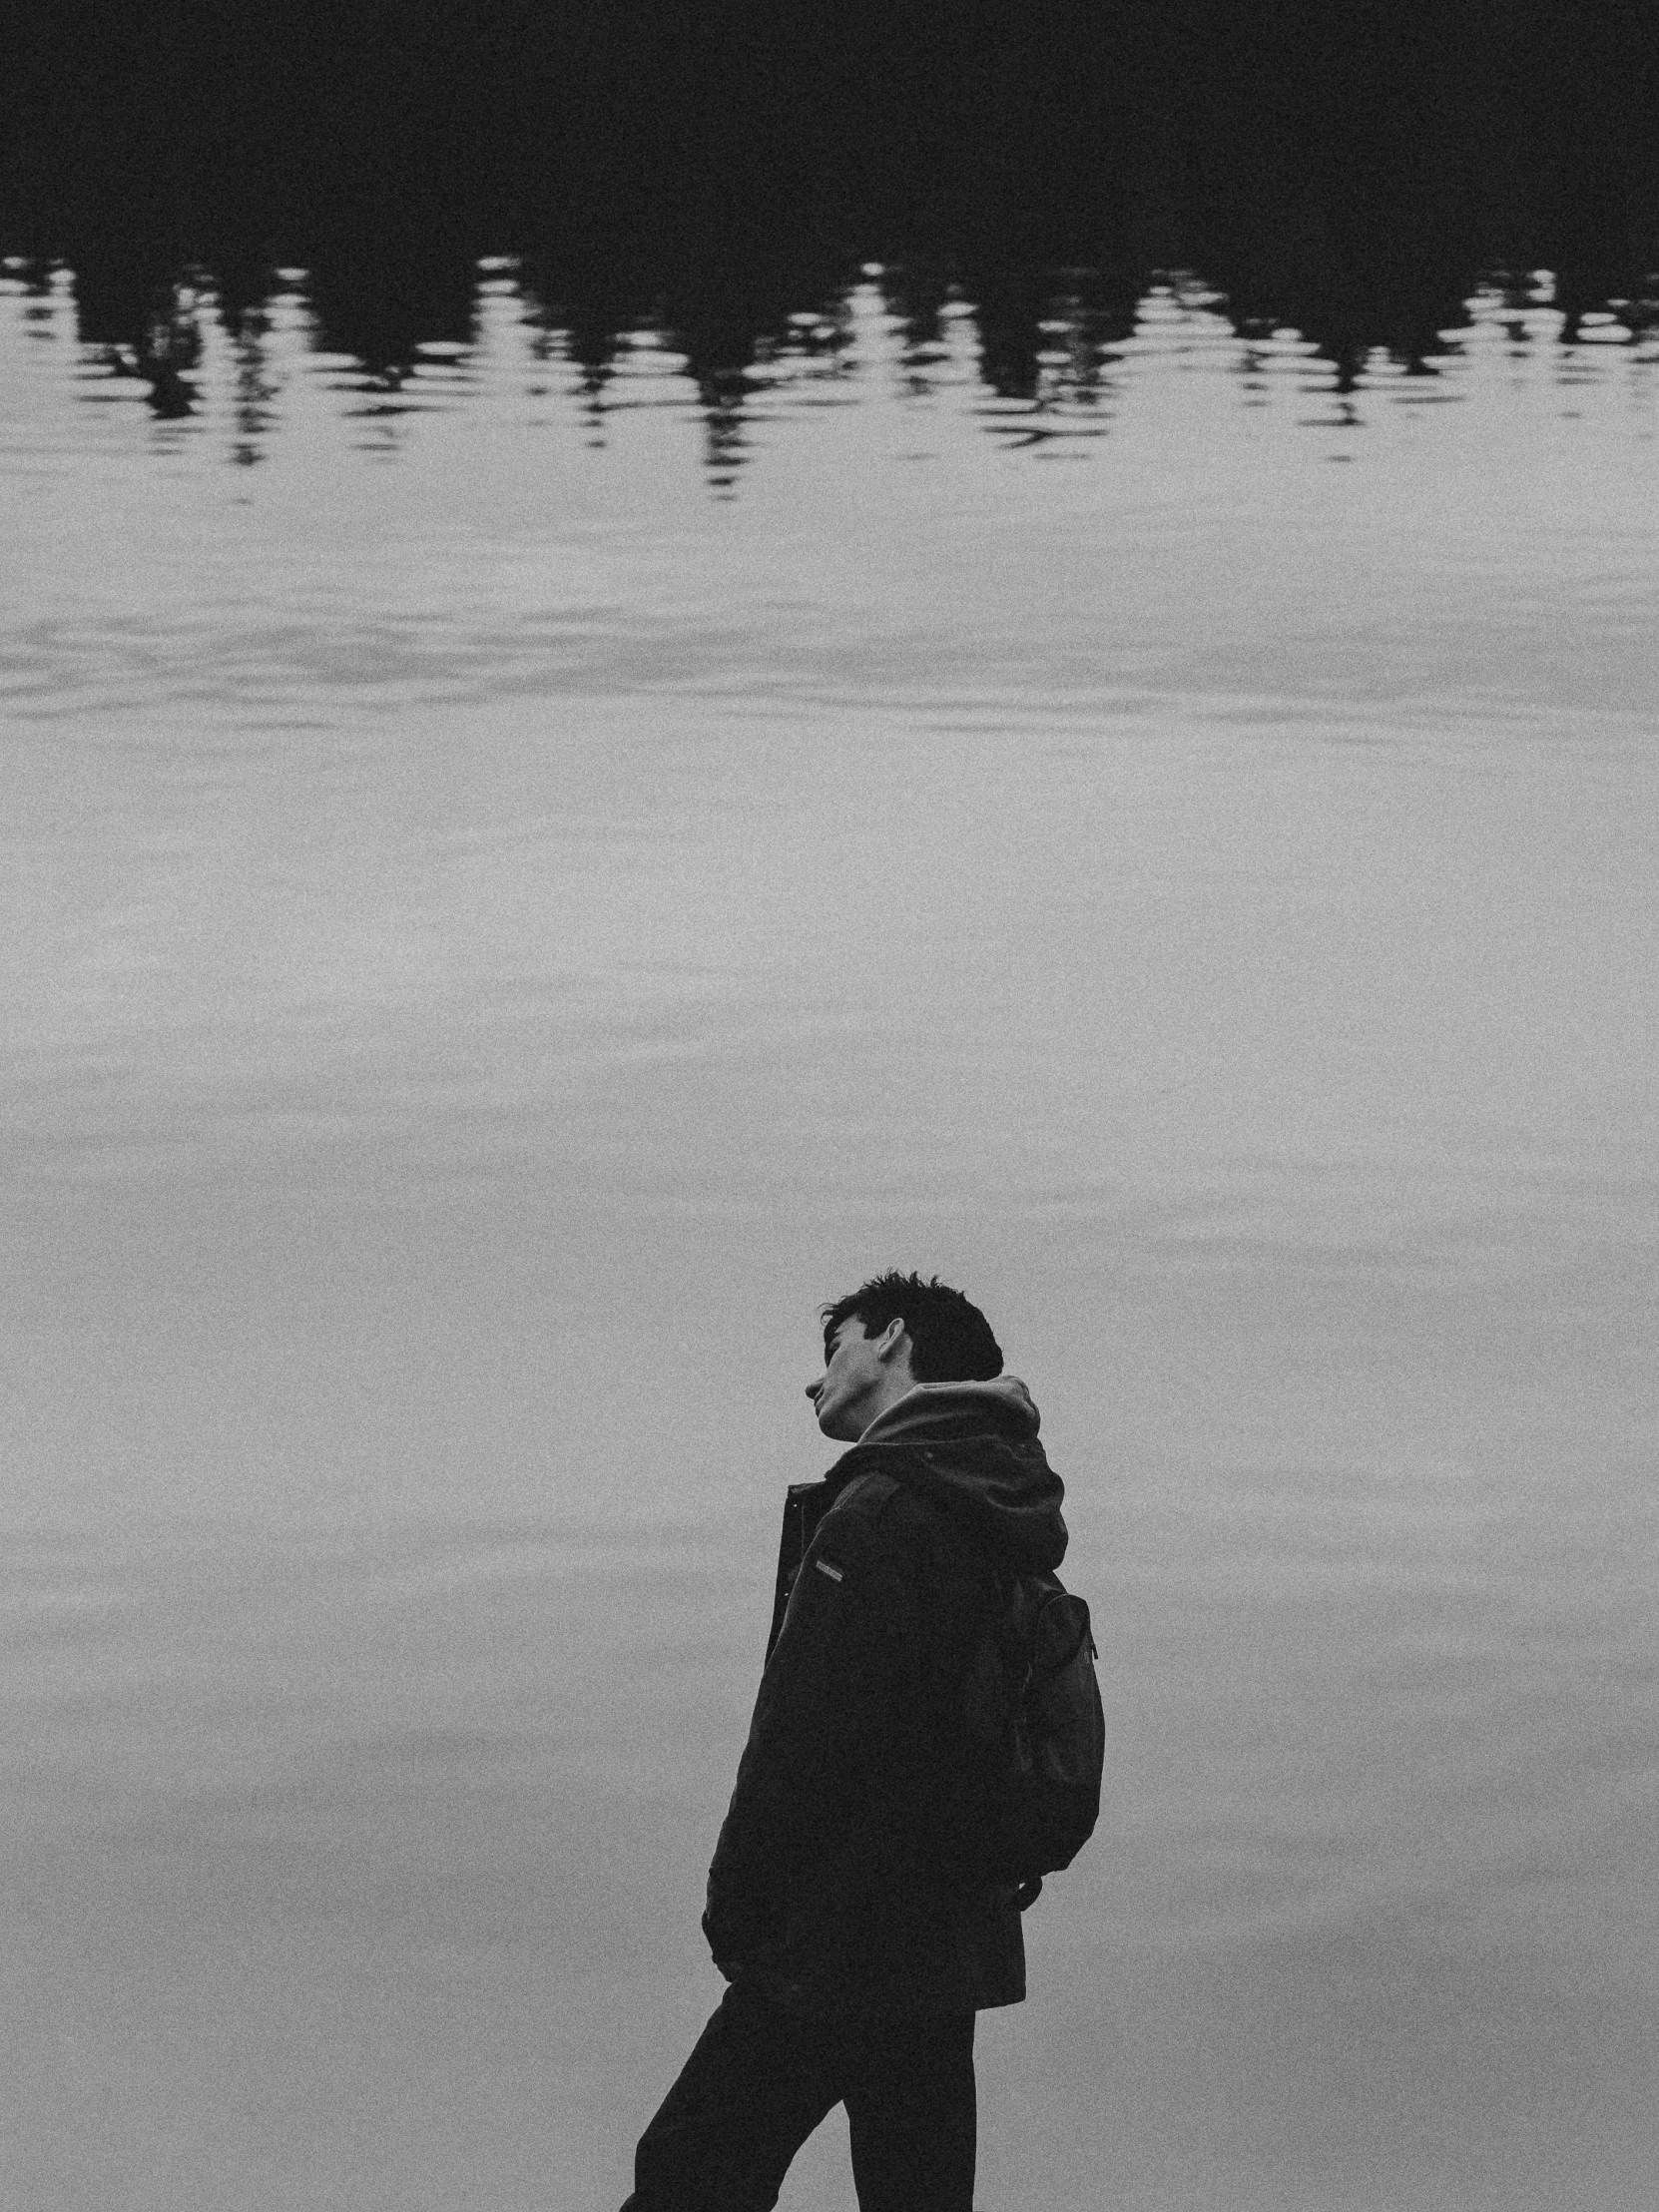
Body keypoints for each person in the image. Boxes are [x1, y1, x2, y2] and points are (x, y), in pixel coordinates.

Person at [620, 1270, 1070, 2212]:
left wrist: (736, 1899)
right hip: (949, 1938)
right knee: (916, 2194)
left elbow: (805, 1732)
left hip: (841, 1932)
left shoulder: (881, 1509)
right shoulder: (1002, 1508)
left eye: (836, 1348)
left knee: (687, 2174)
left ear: (893, 1338)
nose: (817, 1378)